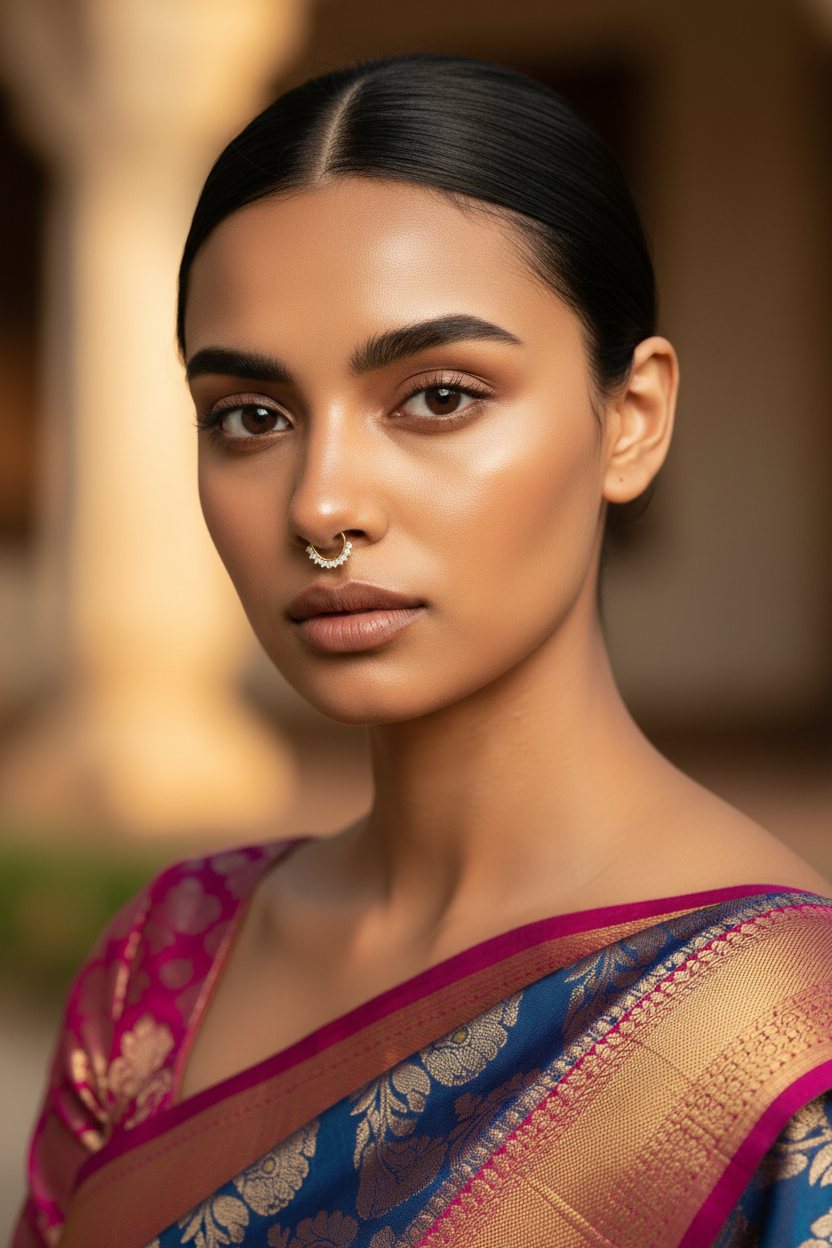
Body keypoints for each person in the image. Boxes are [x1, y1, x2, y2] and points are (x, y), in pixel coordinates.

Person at [13, 54, 832, 1248]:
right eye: (251, 417)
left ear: (630, 421)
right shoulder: (165, 963)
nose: (321, 504)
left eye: (438, 397)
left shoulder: (784, 1049)